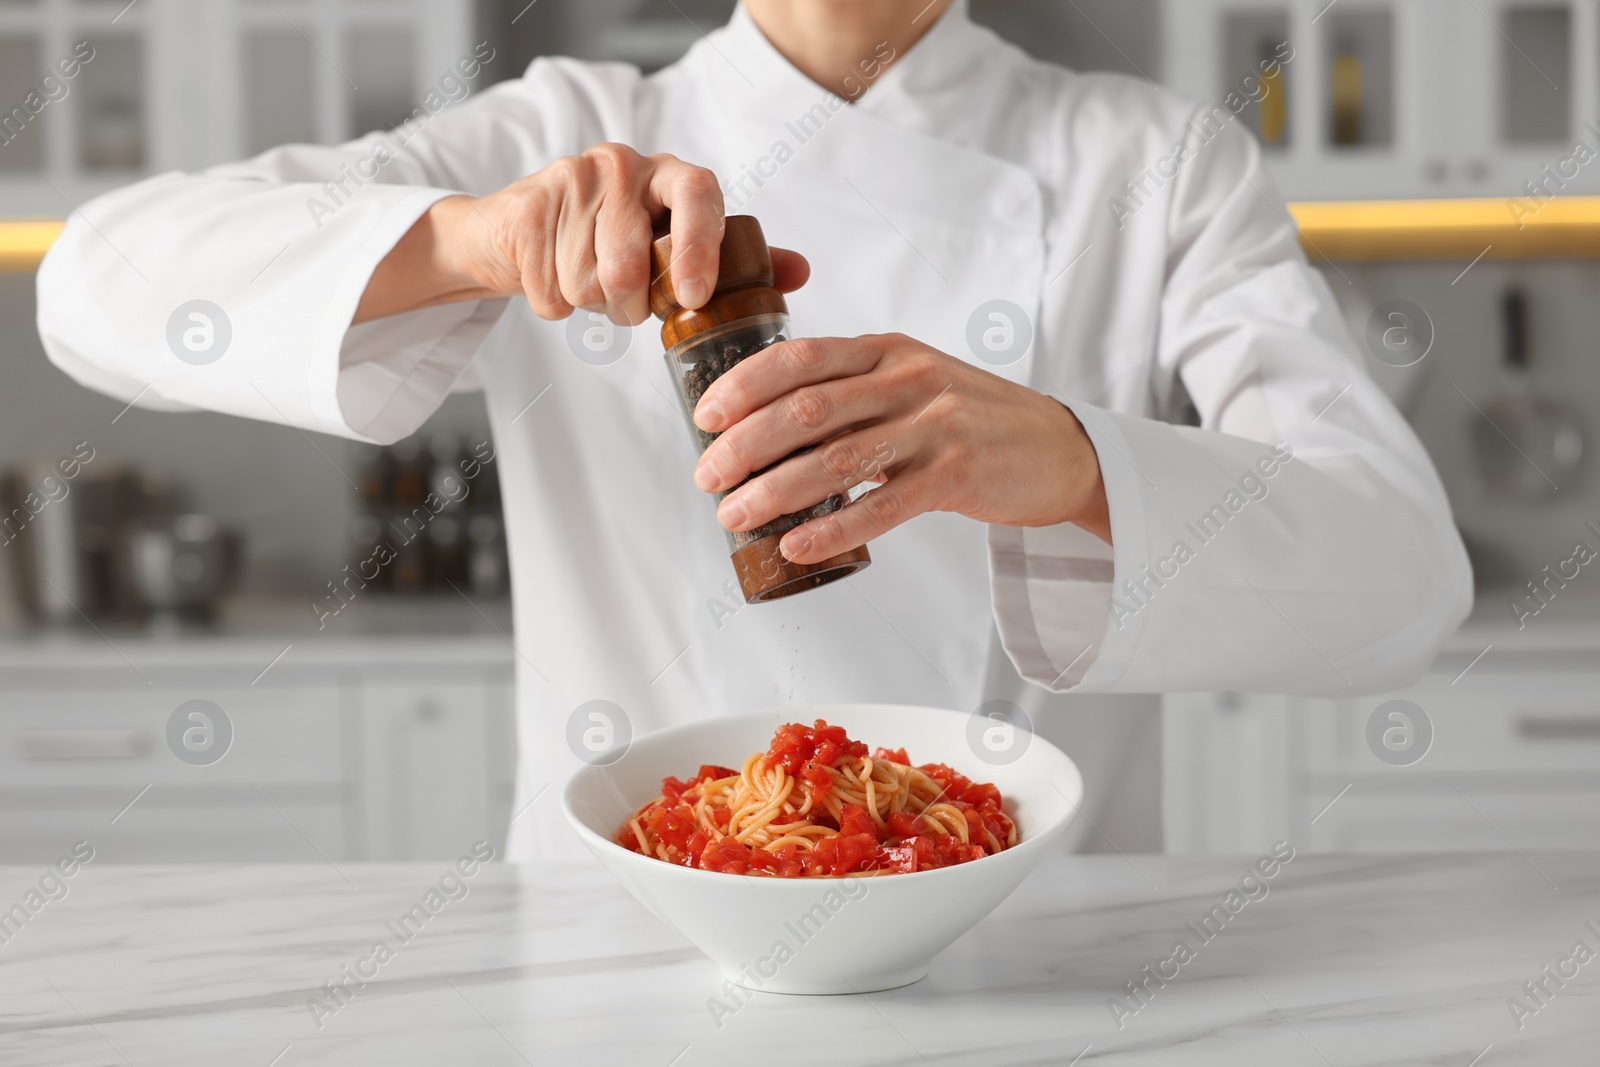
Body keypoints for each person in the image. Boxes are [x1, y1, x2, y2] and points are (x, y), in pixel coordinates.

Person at [36, 0, 1472, 862]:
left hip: (1032, 964)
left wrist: (1073, 462)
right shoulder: (574, 133)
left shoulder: (1156, 166)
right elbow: (95, 281)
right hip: (625, 959)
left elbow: (1406, 576)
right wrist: (476, 237)